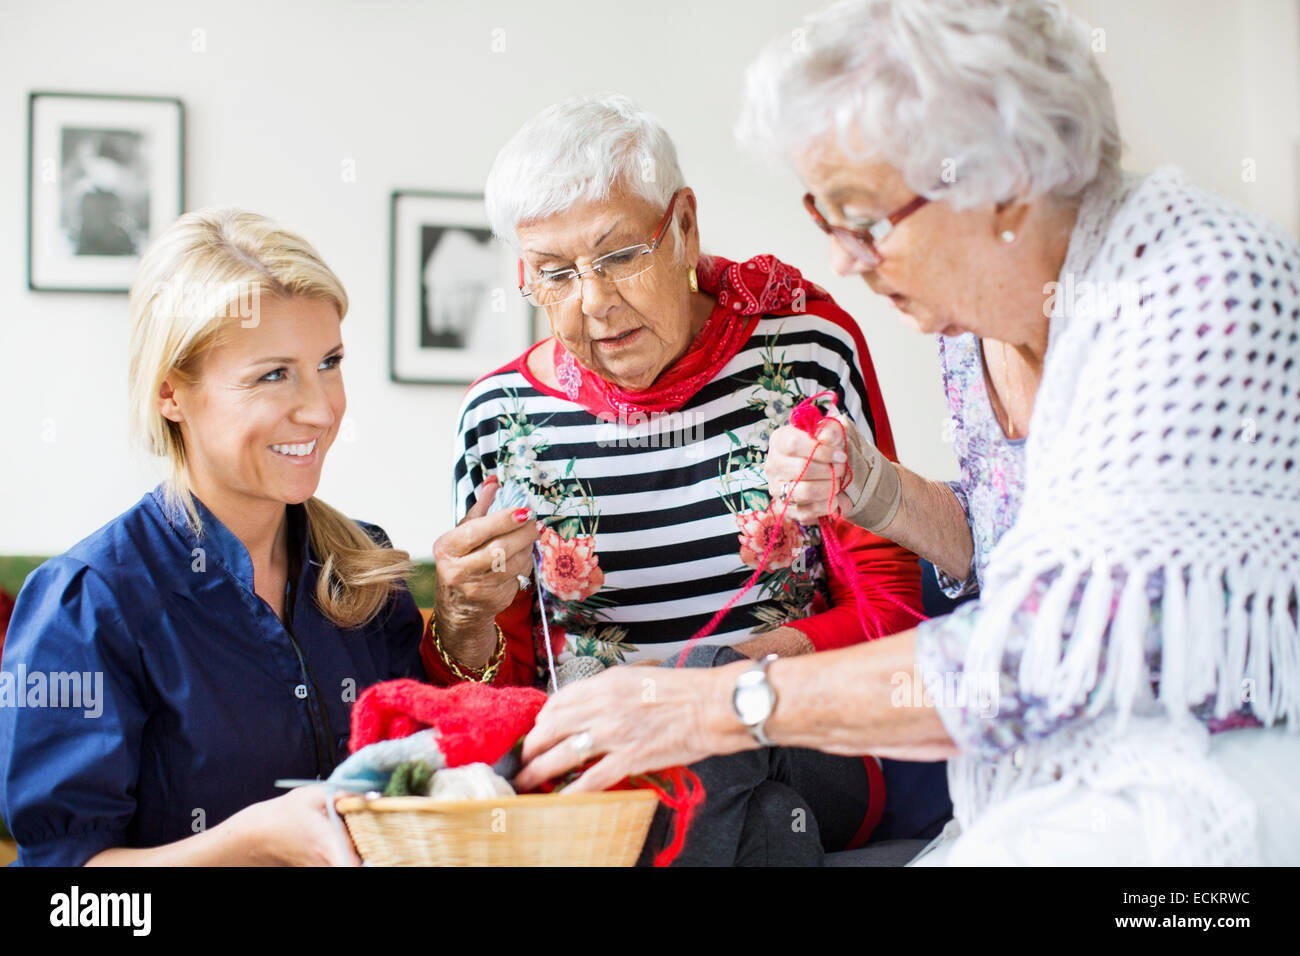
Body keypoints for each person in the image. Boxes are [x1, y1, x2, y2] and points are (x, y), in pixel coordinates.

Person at [516, 0, 1300, 865]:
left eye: (866, 217)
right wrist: (877, 489)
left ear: (1006, 179)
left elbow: (1052, 655)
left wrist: (718, 702)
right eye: (826, 219)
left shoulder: (1203, 295)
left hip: (1211, 802)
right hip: (1047, 790)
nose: (845, 259)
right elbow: (1009, 543)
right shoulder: (977, 322)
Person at [431, 93, 949, 863]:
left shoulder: (805, 353)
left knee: (708, 690)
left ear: (684, 227)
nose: (595, 302)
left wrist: (716, 686)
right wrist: (464, 615)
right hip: (609, 780)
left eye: (618, 256)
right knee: (768, 827)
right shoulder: (497, 417)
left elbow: (893, 610)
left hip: (806, 735)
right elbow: (493, 686)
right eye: (555, 273)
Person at [0, 209, 425, 866]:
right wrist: (252, 842)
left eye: (329, 362)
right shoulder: (88, 604)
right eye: (273, 374)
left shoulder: (364, 568)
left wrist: (470, 621)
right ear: (172, 393)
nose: (320, 408)